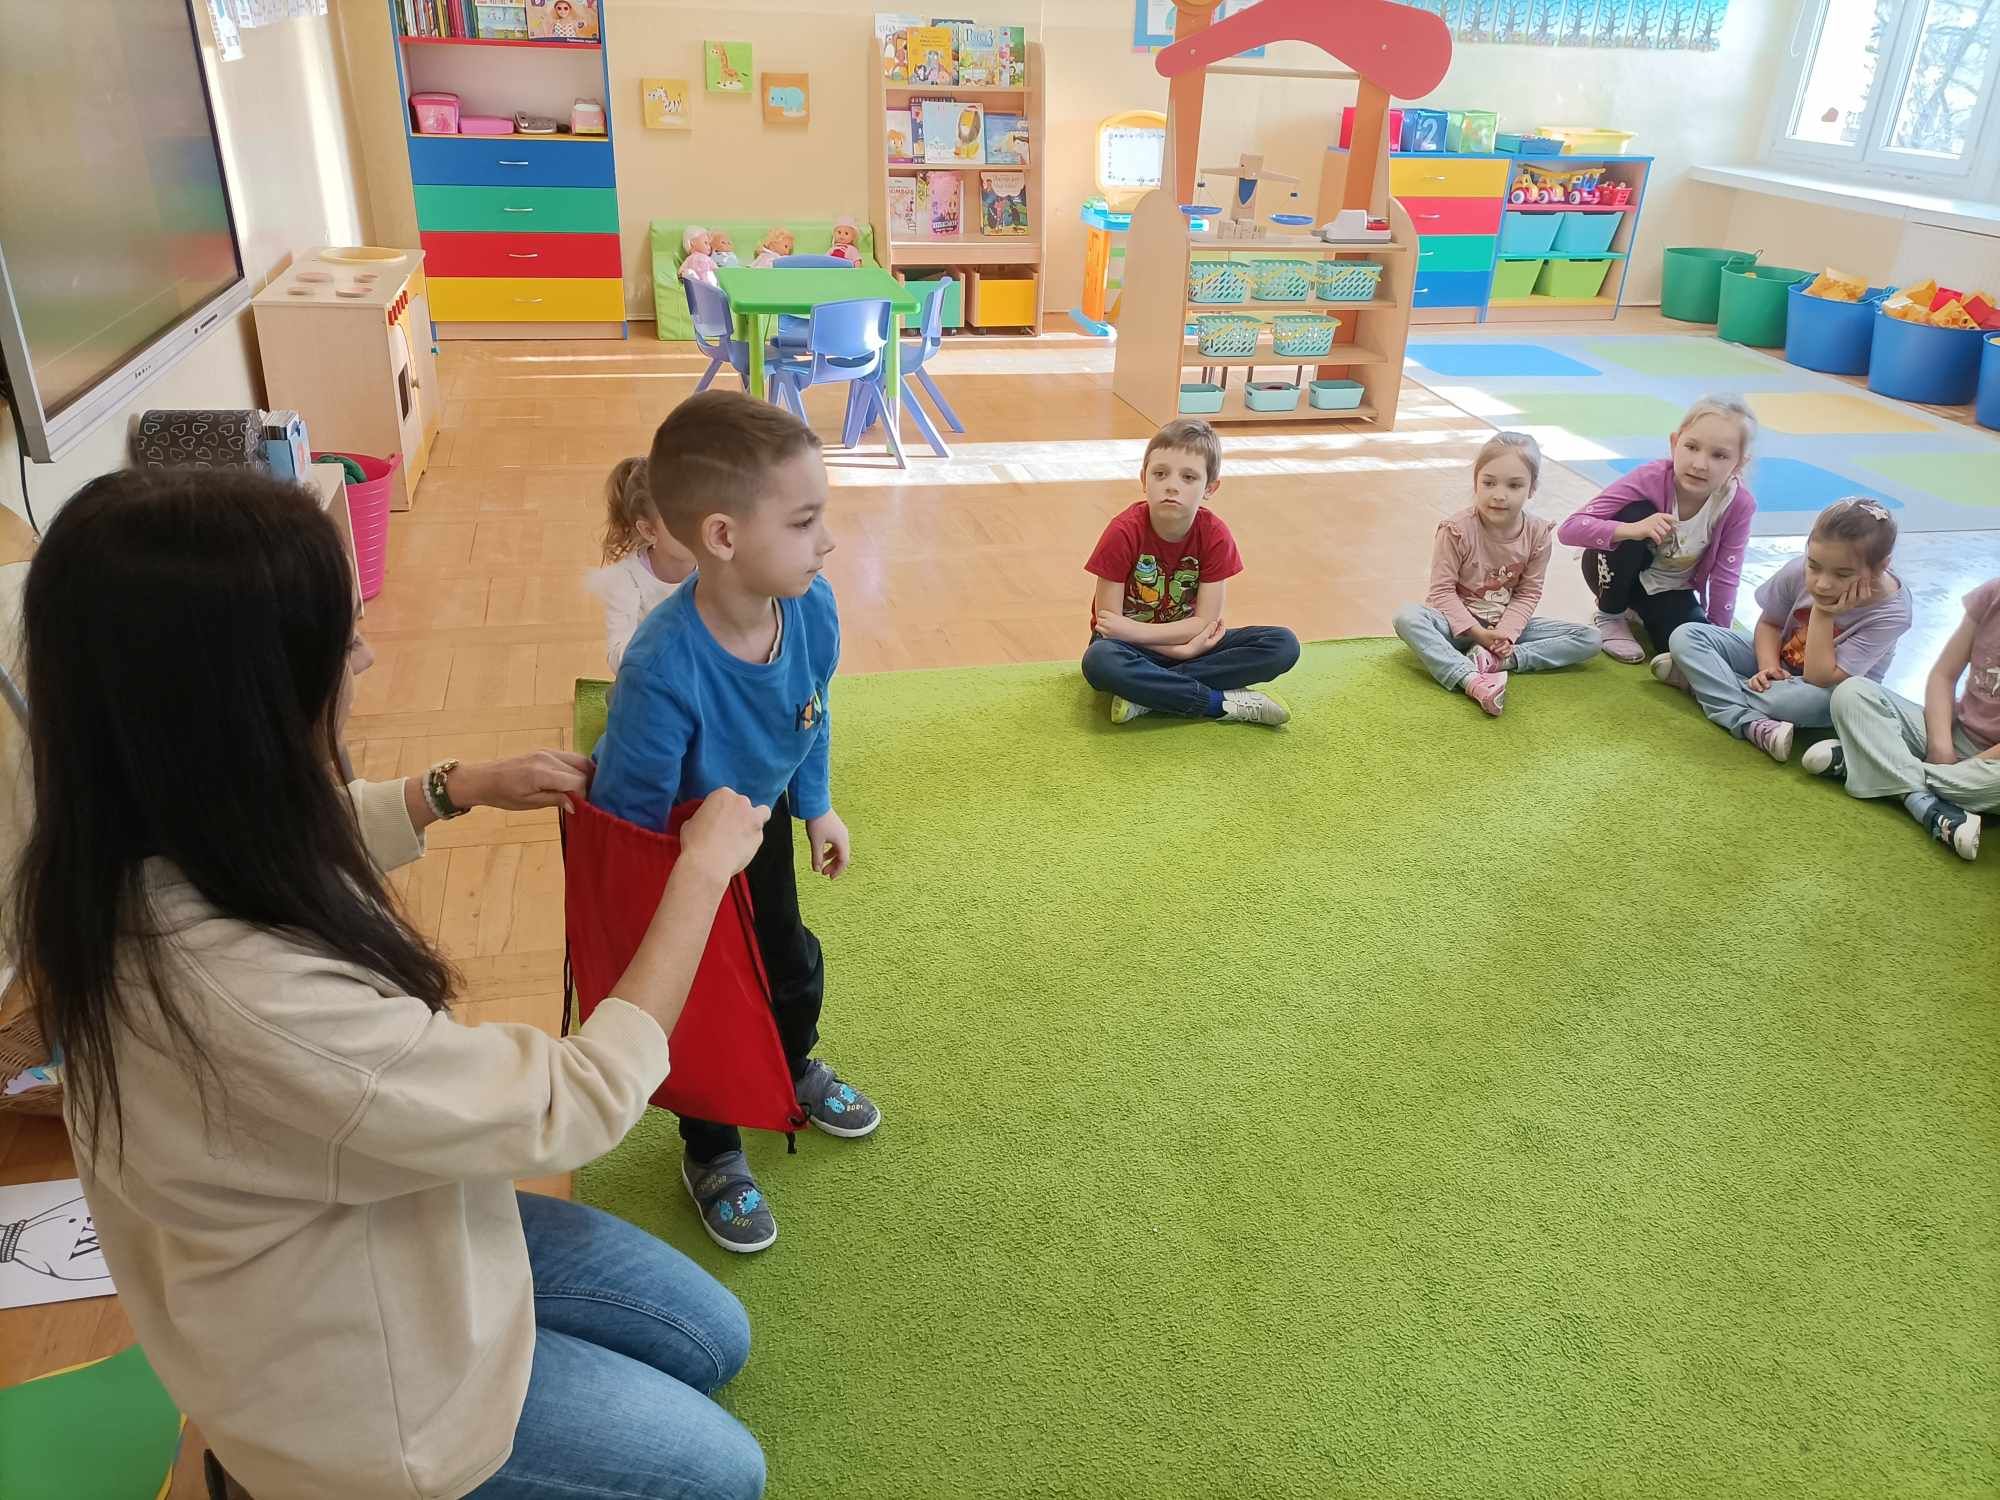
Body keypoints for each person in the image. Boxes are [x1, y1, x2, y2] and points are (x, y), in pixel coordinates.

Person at [13, 469, 770, 1500]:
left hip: (394, 1217)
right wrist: (701, 874)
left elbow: (275, 849)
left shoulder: (114, 845)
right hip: (368, 1399)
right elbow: (578, 1100)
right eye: (342, 641)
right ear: (238, 702)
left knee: (711, 1338)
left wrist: (447, 790)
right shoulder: (255, 1001)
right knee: (723, 1475)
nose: (365, 657)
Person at [590, 392, 878, 1256]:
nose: (827, 541)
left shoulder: (812, 606)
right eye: (803, 521)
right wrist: (672, 905)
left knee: (790, 964)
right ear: (722, 536)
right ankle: (711, 1148)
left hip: (759, 826)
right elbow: (628, 822)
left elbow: (811, 711)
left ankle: (791, 1068)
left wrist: (815, 803)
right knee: (706, 1009)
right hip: (681, 858)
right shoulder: (660, 668)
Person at [1080, 418, 1298, 726]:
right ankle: (1218, 704)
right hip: (1130, 648)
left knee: (1282, 644)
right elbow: (1108, 625)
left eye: (1188, 477)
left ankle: (1147, 693)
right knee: (1100, 661)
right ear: (1144, 479)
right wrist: (1180, 649)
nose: (1172, 485)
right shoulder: (1123, 532)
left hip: (1186, 644)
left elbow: (1204, 622)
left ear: (1210, 488)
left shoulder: (1215, 534)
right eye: (1160, 474)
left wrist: (1184, 650)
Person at [1660, 497, 1910, 764]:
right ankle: (1748, 719)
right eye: (1814, 566)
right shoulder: (1798, 570)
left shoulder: (1892, 613)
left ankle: (1703, 682)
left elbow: (1820, 678)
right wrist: (1768, 667)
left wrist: (1823, 612)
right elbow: (1770, 624)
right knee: (1688, 635)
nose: (1822, 584)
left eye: (1842, 574)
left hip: (1828, 692)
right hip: (1782, 662)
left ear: (1881, 567)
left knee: (1785, 703)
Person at [1391, 431, 1599, 716]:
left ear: (1532, 488)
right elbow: (1441, 592)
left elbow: (1528, 592)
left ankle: (1497, 662)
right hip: (1455, 628)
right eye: (1489, 483)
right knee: (1407, 617)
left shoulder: (1538, 533)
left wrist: (1506, 637)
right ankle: (1469, 678)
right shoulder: (1456, 530)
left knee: (1589, 638)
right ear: (1476, 482)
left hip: (1504, 630)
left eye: (1514, 485)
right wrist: (1477, 633)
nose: (1499, 495)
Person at [1803, 573, 2000, 860]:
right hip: (1951, 732)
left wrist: (1967, 767)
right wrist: (1941, 746)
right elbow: (1943, 675)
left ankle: (1866, 761)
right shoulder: (1993, 594)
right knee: (1852, 692)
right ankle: (1923, 800)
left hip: (1992, 765)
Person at [1557, 394, 1758, 664]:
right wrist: (1633, 529)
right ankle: (1610, 614)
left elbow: (1726, 575)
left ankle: (1640, 613)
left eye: (1719, 455)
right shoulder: (1650, 477)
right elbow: (1569, 529)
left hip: (1669, 588)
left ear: (1739, 463)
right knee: (1635, 513)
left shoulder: (1738, 504)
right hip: (1613, 573)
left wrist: (1719, 636)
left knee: (1686, 644)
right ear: (1675, 443)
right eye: (1691, 447)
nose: (1699, 464)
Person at [587, 456, 697, 672]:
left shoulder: (714, 563)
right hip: (655, 677)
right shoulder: (627, 580)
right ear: (649, 531)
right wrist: (661, 647)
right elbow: (617, 656)